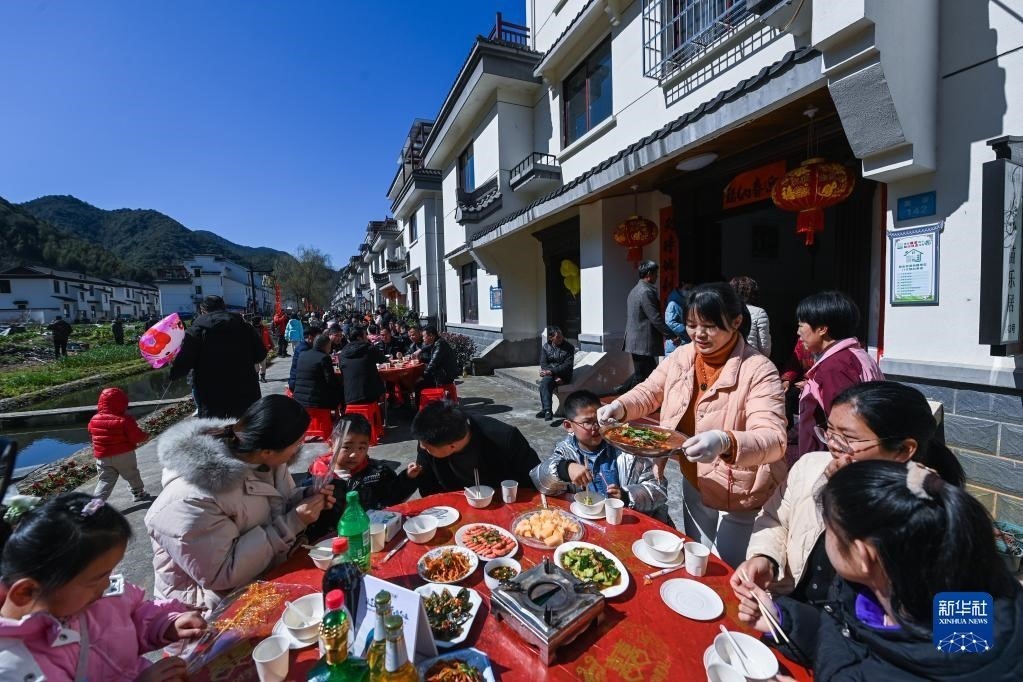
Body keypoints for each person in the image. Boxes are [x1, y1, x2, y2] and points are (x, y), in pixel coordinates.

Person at [737, 460, 1023, 680]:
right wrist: (783, 620)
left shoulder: (971, 652)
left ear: (864, 555)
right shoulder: (877, 588)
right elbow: (848, 642)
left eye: (829, 528)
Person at [598, 282, 786, 567]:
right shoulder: (683, 356)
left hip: (740, 489)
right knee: (696, 557)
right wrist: (620, 406)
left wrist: (725, 441)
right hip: (694, 478)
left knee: (726, 568)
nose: (699, 334)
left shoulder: (759, 370)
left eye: (710, 326)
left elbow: (773, 438)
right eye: (691, 324)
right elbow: (650, 391)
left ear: (736, 321)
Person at [733, 381, 966, 608]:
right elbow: (774, 518)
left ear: (904, 450)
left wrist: (840, 495)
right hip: (788, 610)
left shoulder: (924, 512)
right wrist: (766, 558)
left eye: (849, 438)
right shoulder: (810, 467)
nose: (833, 445)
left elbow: (942, 623)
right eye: (830, 431)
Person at [145, 395, 336, 612]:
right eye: (297, 443)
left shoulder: (265, 459)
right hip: (207, 612)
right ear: (267, 451)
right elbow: (221, 574)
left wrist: (305, 498)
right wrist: (294, 522)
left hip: (262, 581)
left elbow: (276, 504)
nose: (299, 449)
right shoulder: (192, 499)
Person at [0, 493, 205, 682]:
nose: (107, 583)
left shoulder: (97, 599)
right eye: (97, 578)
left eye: (109, 572)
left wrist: (166, 624)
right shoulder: (14, 669)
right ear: (26, 592)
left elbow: (130, 619)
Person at [531, 390, 669, 522]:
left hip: (624, 521)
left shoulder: (625, 450)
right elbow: (539, 479)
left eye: (599, 420)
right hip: (586, 522)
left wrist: (626, 495)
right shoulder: (565, 452)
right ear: (568, 426)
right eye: (587, 422)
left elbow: (658, 488)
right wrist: (565, 469)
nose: (596, 426)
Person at [794, 291, 884, 461]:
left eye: (801, 325)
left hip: (832, 461)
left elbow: (844, 430)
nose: (798, 332)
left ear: (822, 329)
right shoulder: (854, 355)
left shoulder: (835, 367)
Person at [304, 414, 422, 540]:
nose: (354, 454)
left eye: (361, 448)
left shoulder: (378, 472)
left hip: (372, 535)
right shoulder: (318, 477)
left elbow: (393, 497)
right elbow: (309, 519)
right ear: (331, 444)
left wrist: (408, 478)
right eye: (346, 447)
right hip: (333, 541)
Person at [409, 400, 540, 496]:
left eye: (427, 448)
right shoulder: (429, 440)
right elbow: (428, 489)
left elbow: (534, 481)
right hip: (454, 509)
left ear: (452, 446)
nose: (422, 447)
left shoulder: (505, 438)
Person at [168, 295, 267, 419]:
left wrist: (173, 372)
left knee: (216, 430)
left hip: (212, 396)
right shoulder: (245, 327)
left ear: (203, 311)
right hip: (245, 391)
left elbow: (184, 363)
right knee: (246, 427)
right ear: (224, 307)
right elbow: (260, 355)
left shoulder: (196, 332)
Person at [616, 261, 680, 393]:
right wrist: (672, 335)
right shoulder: (646, 292)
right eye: (656, 274)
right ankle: (623, 395)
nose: (657, 276)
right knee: (645, 376)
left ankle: (621, 391)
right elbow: (655, 318)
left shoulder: (635, 290)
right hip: (642, 342)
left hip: (636, 341)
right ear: (649, 274)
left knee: (644, 373)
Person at [88, 387, 153, 503]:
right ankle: (138, 494)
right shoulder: (125, 419)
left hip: (102, 457)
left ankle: (95, 504)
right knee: (132, 475)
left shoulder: (94, 419)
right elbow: (136, 436)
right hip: (124, 455)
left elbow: (92, 433)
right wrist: (146, 436)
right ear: (122, 402)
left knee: (105, 480)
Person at [293, 334, 344, 410]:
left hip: (299, 400)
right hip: (316, 402)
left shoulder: (302, 355)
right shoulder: (324, 358)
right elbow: (330, 381)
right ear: (327, 346)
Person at [339, 327, 387, 405]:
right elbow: (383, 359)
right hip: (370, 394)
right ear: (359, 337)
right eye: (365, 335)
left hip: (349, 395)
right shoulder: (368, 348)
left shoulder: (342, 353)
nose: (367, 337)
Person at [538, 326, 575, 420]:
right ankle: (547, 410)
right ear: (551, 338)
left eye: (561, 335)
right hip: (551, 375)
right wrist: (553, 375)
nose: (561, 338)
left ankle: (546, 410)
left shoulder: (569, 347)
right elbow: (543, 363)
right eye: (558, 337)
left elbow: (567, 365)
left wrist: (551, 372)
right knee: (545, 383)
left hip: (564, 375)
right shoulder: (546, 347)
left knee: (544, 383)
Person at [730, 276, 771, 358]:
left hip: (728, 359)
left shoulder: (724, 311)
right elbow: (765, 348)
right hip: (751, 359)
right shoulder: (759, 312)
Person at [415, 325, 459, 389]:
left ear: (431, 336)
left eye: (424, 336)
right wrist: (421, 357)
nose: (423, 338)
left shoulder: (440, 345)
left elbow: (433, 363)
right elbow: (433, 358)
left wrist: (422, 376)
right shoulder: (437, 342)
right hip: (441, 373)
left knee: (418, 384)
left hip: (444, 376)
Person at [288, 324, 319, 394]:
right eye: (318, 338)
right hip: (297, 384)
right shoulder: (304, 350)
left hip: (298, 381)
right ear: (310, 337)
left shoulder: (305, 346)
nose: (320, 340)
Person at [664, 282, 691, 354]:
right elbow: (670, 322)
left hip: (683, 342)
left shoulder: (686, 301)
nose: (689, 291)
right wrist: (687, 329)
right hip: (675, 342)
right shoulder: (674, 303)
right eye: (687, 288)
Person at [252, 316, 273, 383]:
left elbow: (268, 336)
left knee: (263, 364)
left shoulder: (264, 328)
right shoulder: (251, 329)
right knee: (255, 364)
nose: (262, 321)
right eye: (260, 320)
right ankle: (256, 376)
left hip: (263, 348)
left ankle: (262, 377)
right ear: (257, 321)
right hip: (254, 349)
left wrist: (271, 345)